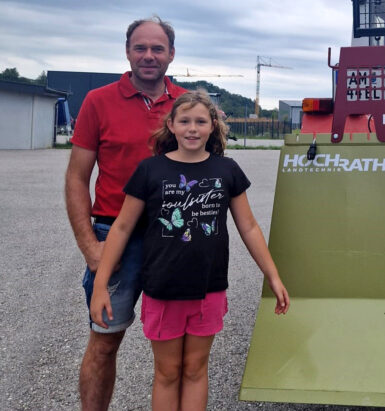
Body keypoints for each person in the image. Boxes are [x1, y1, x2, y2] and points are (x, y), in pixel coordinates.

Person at [90, 90, 290, 410]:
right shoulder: (150, 170)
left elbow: (249, 227)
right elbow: (123, 228)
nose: (192, 128)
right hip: (163, 289)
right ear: (171, 125)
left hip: (208, 289)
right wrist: (101, 284)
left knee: (196, 370)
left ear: (213, 126)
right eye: (184, 121)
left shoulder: (227, 171)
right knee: (167, 372)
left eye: (200, 121)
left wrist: (273, 275)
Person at [65, 16, 187, 410]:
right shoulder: (98, 101)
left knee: (176, 351)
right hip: (114, 238)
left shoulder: (188, 105)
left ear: (171, 53)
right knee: (104, 343)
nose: (149, 56)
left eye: (157, 48)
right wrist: (90, 247)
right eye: (140, 48)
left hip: (172, 240)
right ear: (128, 51)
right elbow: (77, 178)